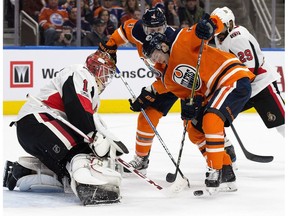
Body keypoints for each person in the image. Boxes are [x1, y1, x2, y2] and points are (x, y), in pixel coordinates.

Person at [142, 14, 256, 194]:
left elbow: (210, 24)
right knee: (194, 128)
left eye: (156, 55)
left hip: (231, 77)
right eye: (151, 59)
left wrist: (210, 26)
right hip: (213, 91)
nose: (156, 60)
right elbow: (194, 95)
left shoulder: (181, 41)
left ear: (163, 46)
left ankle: (215, 170)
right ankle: (227, 172)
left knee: (211, 119)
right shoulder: (168, 79)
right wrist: (191, 106)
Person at [3, 50, 129, 205]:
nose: (106, 78)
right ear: (96, 68)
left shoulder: (93, 95)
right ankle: (91, 188)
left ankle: (25, 171)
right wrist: (93, 137)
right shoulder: (80, 72)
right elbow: (75, 105)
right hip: (39, 121)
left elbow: (91, 121)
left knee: (66, 173)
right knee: (81, 150)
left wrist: (106, 145)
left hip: (36, 130)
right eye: (106, 73)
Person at [98, 7, 179, 175]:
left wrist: (150, 91)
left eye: (159, 29)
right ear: (143, 27)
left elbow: (173, 79)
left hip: (183, 81)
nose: (156, 33)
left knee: (199, 122)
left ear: (165, 26)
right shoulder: (135, 30)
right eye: (151, 29)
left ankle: (224, 154)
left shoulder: (172, 41)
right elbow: (119, 35)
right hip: (163, 81)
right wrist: (110, 48)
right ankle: (141, 160)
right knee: (146, 117)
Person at [211, 7, 285, 138]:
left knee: (282, 124)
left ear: (229, 24)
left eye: (218, 25)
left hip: (261, 85)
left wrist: (228, 83)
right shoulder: (219, 37)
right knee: (215, 115)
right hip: (243, 88)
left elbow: (252, 69)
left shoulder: (237, 38)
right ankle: (223, 147)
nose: (215, 28)